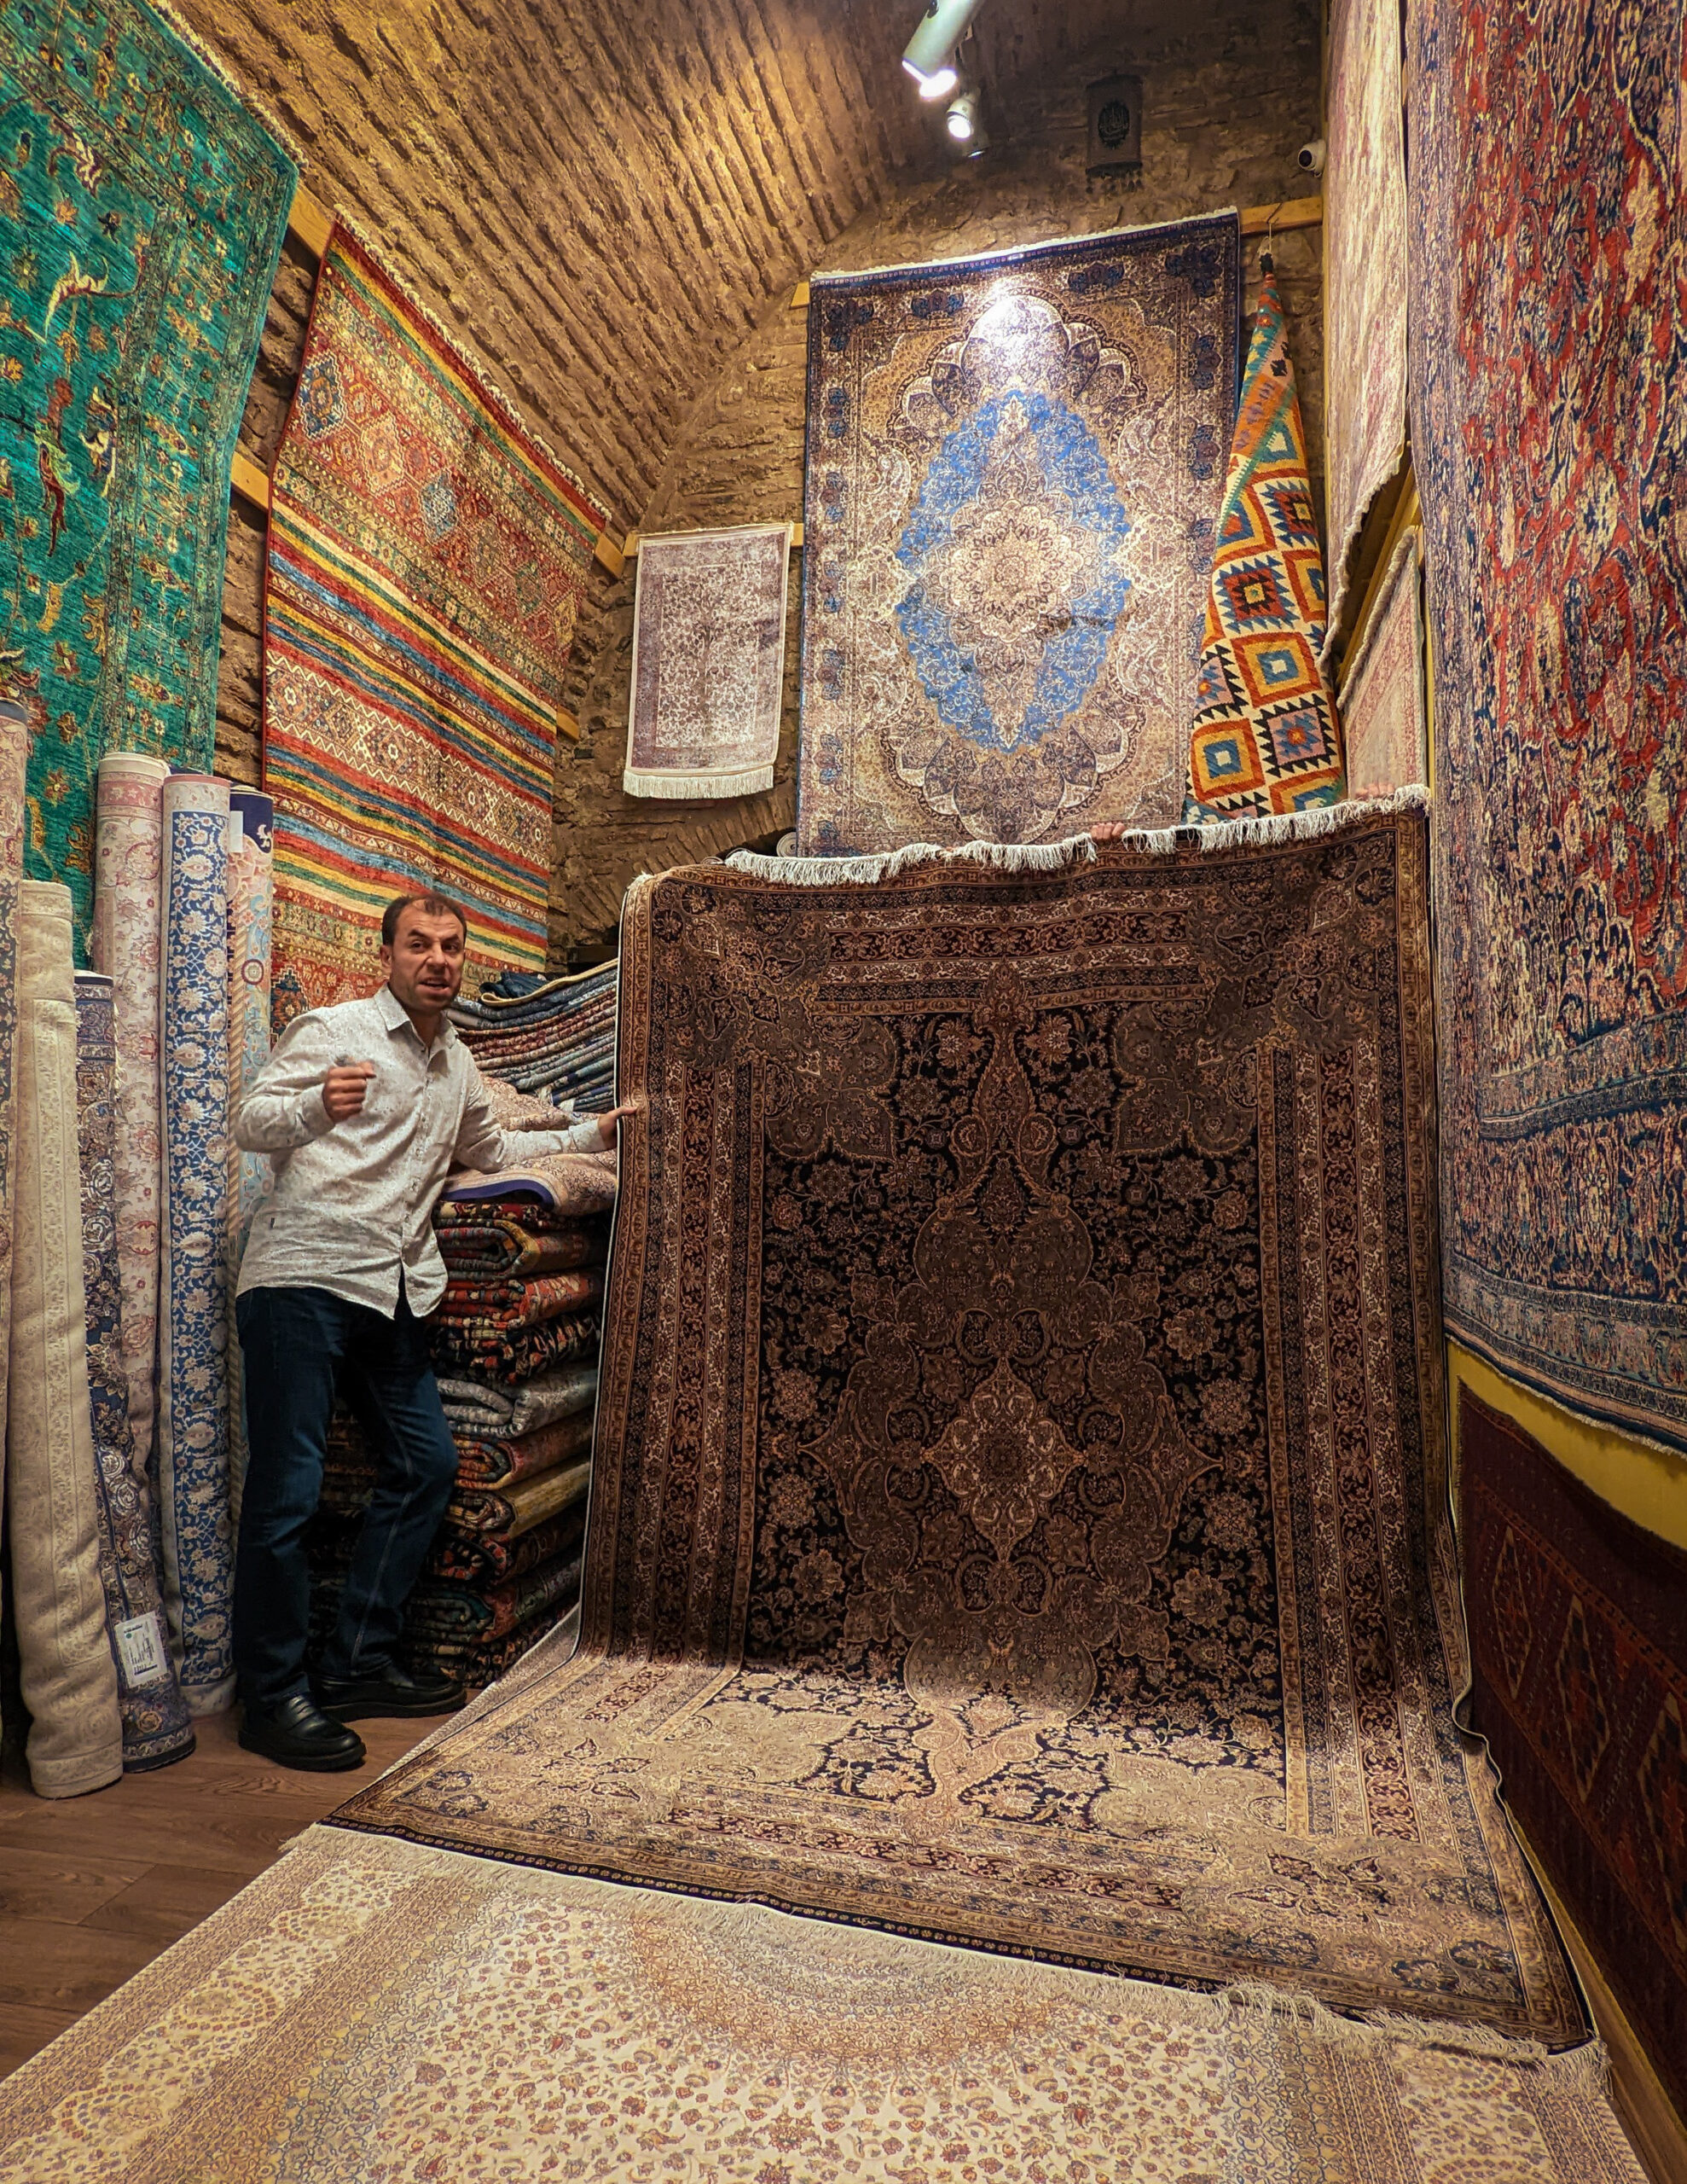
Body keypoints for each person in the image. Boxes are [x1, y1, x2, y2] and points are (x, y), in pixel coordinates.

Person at [230, 892, 633, 1772]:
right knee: (288, 1493)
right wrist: (315, 1107)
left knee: (427, 1465)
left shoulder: (457, 1065)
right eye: (419, 944)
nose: (438, 960)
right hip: (302, 1280)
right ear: (387, 956)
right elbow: (250, 1120)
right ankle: (271, 1696)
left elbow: (497, 1154)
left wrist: (591, 1133)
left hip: (392, 1291)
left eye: (451, 947)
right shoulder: (334, 1030)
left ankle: (355, 1664)